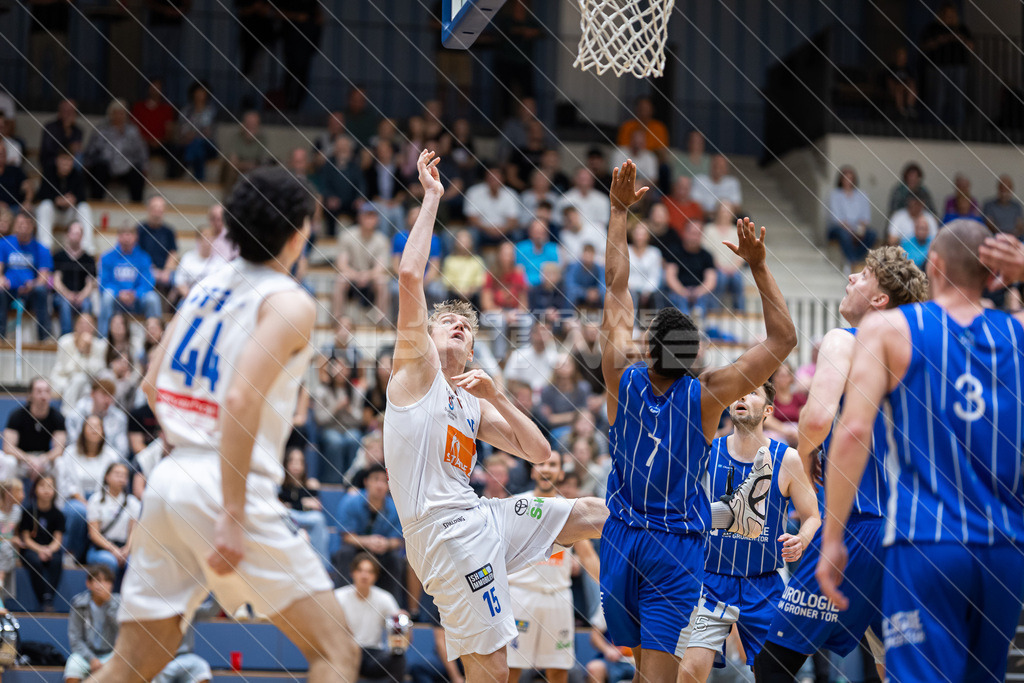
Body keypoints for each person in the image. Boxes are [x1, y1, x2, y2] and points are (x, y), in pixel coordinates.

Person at [92, 166, 360, 683]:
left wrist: (190, 434)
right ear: (298, 232)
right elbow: (240, 398)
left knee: (131, 666)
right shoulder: (289, 301)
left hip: (170, 483)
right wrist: (232, 512)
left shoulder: (204, 286)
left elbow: (151, 384)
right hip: (225, 486)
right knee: (336, 651)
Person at [385, 151, 608, 682]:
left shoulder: (471, 398)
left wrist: (500, 396)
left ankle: (700, 523)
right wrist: (435, 196)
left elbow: (540, 453)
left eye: (466, 322)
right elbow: (409, 273)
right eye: (446, 321)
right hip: (444, 535)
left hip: (482, 515)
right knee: (495, 672)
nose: (458, 324)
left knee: (593, 512)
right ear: (428, 337)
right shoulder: (416, 374)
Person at [599, 160, 796, 682]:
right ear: (693, 357)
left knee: (646, 673)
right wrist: (756, 264)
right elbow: (783, 341)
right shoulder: (708, 395)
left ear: (647, 347)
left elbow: (616, 286)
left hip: (622, 538)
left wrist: (618, 211)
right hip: (674, 545)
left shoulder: (621, 374)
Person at [818, 221, 1024, 683]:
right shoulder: (1016, 333)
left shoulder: (890, 328)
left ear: (934, 265)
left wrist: (832, 539)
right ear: (993, 274)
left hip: (927, 541)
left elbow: (852, 432)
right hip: (1005, 549)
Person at [756, 246, 928, 682]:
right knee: (897, 670)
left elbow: (814, 418)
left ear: (879, 300)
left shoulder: (844, 340)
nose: (851, 277)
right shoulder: (919, 361)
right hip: (916, 533)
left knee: (772, 665)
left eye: (864, 274)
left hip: (860, 528)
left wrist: (810, 453)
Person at [678, 382, 820, 682]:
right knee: (689, 673)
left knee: (775, 676)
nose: (742, 395)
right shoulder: (706, 451)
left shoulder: (787, 459)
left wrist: (801, 539)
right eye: (739, 391)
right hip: (711, 582)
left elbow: (812, 517)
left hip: (764, 585)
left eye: (753, 392)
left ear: (768, 410)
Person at [506, 451, 601, 683]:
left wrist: (610, 588)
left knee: (558, 669)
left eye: (552, 465)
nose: (546, 469)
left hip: (558, 597)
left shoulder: (569, 509)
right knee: (510, 668)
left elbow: (587, 556)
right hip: (520, 594)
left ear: (560, 472)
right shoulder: (517, 503)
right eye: (541, 464)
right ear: (533, 470)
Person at [57, 413, 123, 562]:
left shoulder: (111, 456)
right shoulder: (70, 452)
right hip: (76, 499)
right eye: (90, 426)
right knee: (78, 512)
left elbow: (112, 483)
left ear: (103, 431)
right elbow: (67, 484)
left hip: (103, 500)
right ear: (83, 430)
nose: (94, 430)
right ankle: (72, 553)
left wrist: (95, 504)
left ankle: (93, 553)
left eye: (98, 426)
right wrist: (86, 503)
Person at [334, 553, 407, 683]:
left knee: (398, 657)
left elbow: (401, 641)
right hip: (347, 652)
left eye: (369, 572)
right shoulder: (339, 597)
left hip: (373, 654)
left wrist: (403, 624)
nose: (364, 575)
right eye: (360, 570)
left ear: (375, 576)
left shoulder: (385, 598)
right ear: (353, 573)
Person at [334, 463, 404, 598]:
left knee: (395, 559)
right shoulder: (350, 502)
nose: (380, 485)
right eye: (376, 479)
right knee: (344, 553)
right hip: (356, 549)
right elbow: (346, 536)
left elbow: (398, 540)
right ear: (366, 482)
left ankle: (391, 608)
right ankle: (341, 602)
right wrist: (367, 541)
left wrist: (386, 544)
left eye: (385, 481)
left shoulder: (395, 508)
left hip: (382, 551)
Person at [97, 225, 162, 338]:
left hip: (137, 300)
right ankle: (103, 339)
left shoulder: (143, 257)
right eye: (123, 235)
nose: (126, 239)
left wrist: (135, 293)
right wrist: (119, 293)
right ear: (118, 237)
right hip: (116, 300)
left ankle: (157, 339)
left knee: (153, 298)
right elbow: (104, 282)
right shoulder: (107, 257)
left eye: (129, 235)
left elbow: (148, 282)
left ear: (135, 237)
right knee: (107, 296)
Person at [0, 212, 53, 341]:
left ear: (32, 226)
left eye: (26, 224)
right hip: (9, 290)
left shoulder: (42, 249)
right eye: (20, 224)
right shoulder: (4, 244)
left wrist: (33, 284)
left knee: (41, 291)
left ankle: (44, 337)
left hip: (30, 292)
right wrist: (1, 279)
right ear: (15, 226)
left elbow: (43, 276)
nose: (23, 227)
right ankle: (1, 335)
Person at [333, 204, 391, 323]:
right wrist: (357, 275)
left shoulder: (382, 240)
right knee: (341, 279)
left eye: (372, 216)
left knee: (382, 281)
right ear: (360, 217)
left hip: (371, 279)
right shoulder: (347, 236)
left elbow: (381, 267)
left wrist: (367, 275)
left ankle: (380, 322)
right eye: (366, 215)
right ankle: (337, 320)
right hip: (351, 277)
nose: (369, 219)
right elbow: (341, 265)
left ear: (377, 219)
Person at [82, 99, 148, 202]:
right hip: (106, 166)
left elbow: (141, 152)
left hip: (126, 166)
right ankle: (96, 203)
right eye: (115, 113)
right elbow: (90, 150)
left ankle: (136, 206)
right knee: (98, 170)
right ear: (110, 114)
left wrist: (144, 167)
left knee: (137, 174)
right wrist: (87, 164)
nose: (118, 116)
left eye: (121, 113)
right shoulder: (101, 129)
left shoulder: (133, 131)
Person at [3, 377, 66, 480]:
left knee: (61, 463)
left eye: (47, 391)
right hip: (22, 460)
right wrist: (29, 459)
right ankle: (5, 495)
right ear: (30, 395)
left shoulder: (57, 417)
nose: (43, 396)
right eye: (39, 391)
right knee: (9, 461)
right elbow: (8, 447)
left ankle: (60, 496)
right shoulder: (17, 415)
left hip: (44, 460)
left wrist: (43, 459)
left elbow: (59, 449)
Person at [64, 565, 119, 683]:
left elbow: (123, 633)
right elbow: (75, 639)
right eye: (98, 580)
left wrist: (109, 603)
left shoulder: (119, 603)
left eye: (107, 581)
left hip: (113, 653)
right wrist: (91, 659)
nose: (102, 585)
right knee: (73, 667)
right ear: (88, 584)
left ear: (112, 585)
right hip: (87, 654)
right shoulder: (79, 604)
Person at [18, 474, 65, 611]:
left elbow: (58, 539)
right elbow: (26, 538)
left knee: (56, 561)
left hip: (50, 549)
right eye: (42, 486)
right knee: (35, 561)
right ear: (35, 489)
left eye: (50, 487)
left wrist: (49, 550)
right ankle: (43, 598)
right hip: (32, 548)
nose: (46, 490)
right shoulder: (28, 511)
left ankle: (49, 598)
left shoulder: (58, 514)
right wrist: (40, 550)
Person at [85, 462, 139, 579]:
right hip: (101, 548)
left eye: (124, 475)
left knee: (133, 562)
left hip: (124, 547)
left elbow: (133, 530)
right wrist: (113, 549)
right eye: (117, 474)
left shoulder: (132, 502)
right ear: (107, 477)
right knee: (109, 561)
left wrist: (127, 549)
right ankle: (109, 596)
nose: (121, 478)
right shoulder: (96, 500)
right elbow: (94, 534)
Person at [279, 448, 331, 570]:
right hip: (290, 517)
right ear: (286, 463)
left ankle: (322, 567)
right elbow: (280, 507)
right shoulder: (280, 484)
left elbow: (316, 506)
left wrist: (292, 505)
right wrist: (302, 504)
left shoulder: (311, 484)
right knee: (286, 516)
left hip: (309, 519)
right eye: (292, 461)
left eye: (299, 461)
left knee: (319, 519)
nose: (296, 465)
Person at [35, 151, 94, 252]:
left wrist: (73, 199)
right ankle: (45, 247)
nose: (66, 164)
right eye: (63, 160)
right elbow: (41, 194)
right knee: (44, 206)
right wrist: (56, 199)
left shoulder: (77, 174)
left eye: (69, 160)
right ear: (57, 160)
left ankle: (87, 248)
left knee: (84, 207)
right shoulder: (48, 172)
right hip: (54, 213)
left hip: (70, 214)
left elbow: (83, 196)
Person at [52, 222, 98, 337]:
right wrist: (68, 295)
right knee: (65, 303)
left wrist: (81, 296)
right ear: (67, 235)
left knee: (87, 304)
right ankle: (66, 337)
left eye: (78, 234)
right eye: (73, 233)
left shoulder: (88, 259)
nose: (75, 236)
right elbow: (56, 281)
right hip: (62, 296)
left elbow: (90, 283)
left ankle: (85, 336)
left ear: (82, 236)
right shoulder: (59, 256)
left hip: (82, 296)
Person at [827, 166, 876, 271]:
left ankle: (854, 260)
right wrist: (850, 230)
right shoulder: (835, 195)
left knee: (872, 234)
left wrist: (859, 229)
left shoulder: (862, 195)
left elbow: (866, 217)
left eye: (851, 178)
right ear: (841, 179)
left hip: (857, 228)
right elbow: (835, 218)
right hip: (839, 228)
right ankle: (852, 262)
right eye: (845, 178)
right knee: (844, 234)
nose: (848, 181)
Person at [136, 197, 179, 301]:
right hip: (145, 269)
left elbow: (173, 253)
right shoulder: (140, 230)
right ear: (149, 209)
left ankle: (171, 310)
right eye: (155, 208)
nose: (157, 212)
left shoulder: (169, 231)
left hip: (165, 271)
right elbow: (136, 254)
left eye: (160, 208)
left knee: (177, 280)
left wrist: (167, 271)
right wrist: (150, 269)